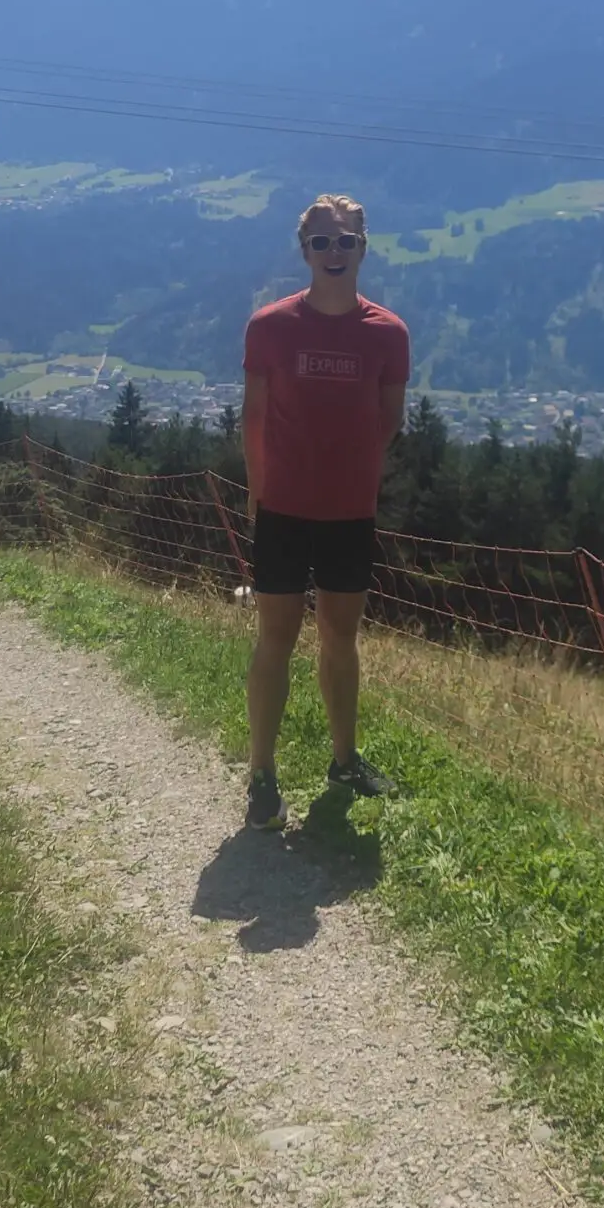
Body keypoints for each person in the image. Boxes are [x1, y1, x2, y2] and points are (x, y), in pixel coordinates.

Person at [239, 192, 409, 831]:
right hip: (282, 510)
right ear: (304, 251)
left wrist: (345, 472)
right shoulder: (270, 326)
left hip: (348, 513)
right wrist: (260, 495)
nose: (334, 252)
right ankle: (261, 773)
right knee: (274, 641)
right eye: (322, 242)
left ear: (364, 248)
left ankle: (344, 760)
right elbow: (252, 418)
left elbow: (386, 421)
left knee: (342, 639)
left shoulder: (389, 334)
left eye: (346, 242)